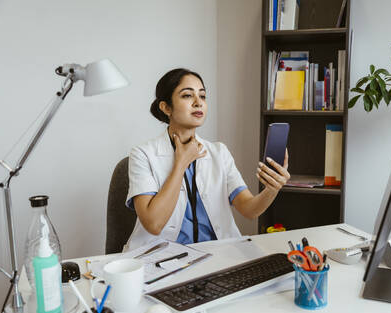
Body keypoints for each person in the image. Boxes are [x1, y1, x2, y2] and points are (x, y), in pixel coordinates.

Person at [124, 68, 290, 250]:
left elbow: (249, 209)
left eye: (202, 96)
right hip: (162, 258)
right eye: (187, 96)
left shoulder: (219, 152)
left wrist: (272, 189)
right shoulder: (142, 154)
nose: (198, 103)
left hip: (216, 255)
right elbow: (153, 224)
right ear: (166, 107)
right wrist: (181, 164)